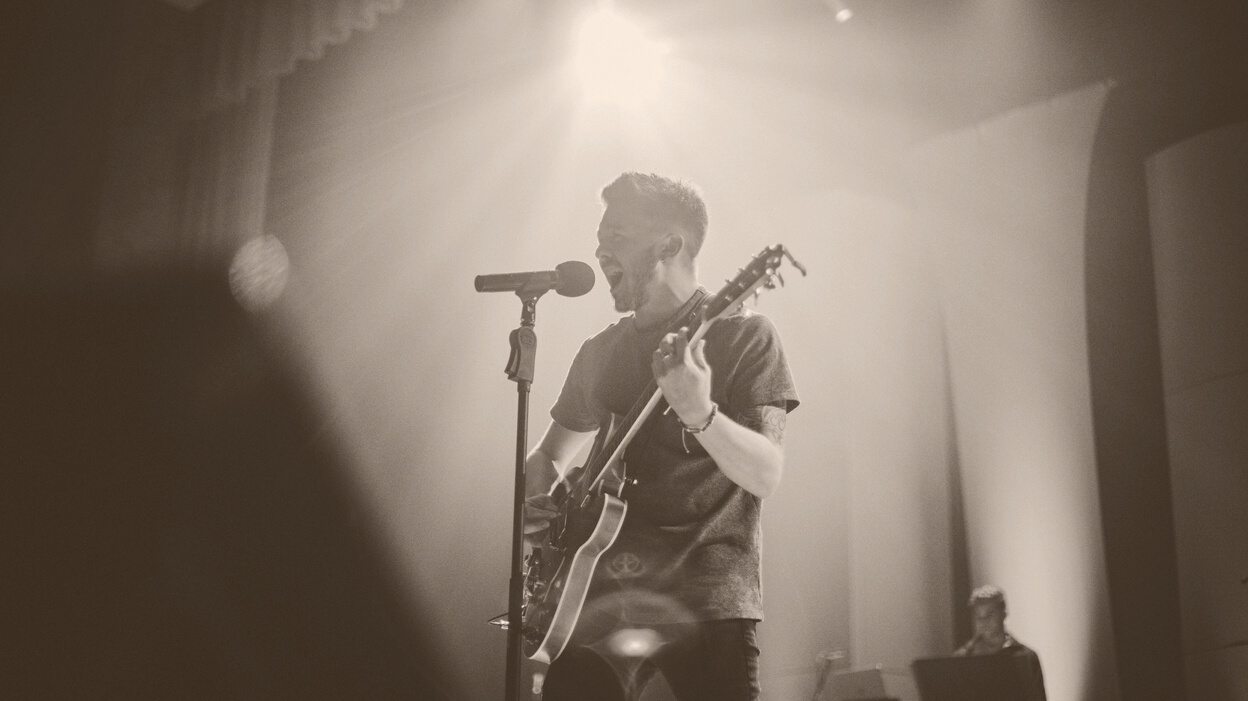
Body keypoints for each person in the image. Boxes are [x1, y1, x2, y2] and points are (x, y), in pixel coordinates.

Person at [524, 172, 799, 701]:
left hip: (709, 597)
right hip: (603, 595)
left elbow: (765, 472)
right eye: (601, 238)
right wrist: (543, 519)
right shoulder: (600, 351)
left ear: (670, 244)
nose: (601, 250)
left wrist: (700, 411)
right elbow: (548, 454)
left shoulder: (745, 336)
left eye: (618, 236)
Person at [953, 585, 1047, 701]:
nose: (984, 621)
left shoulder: (1027, 657)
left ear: (1003, 614)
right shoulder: (962, 658)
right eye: (978, 616)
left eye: (990, 614)